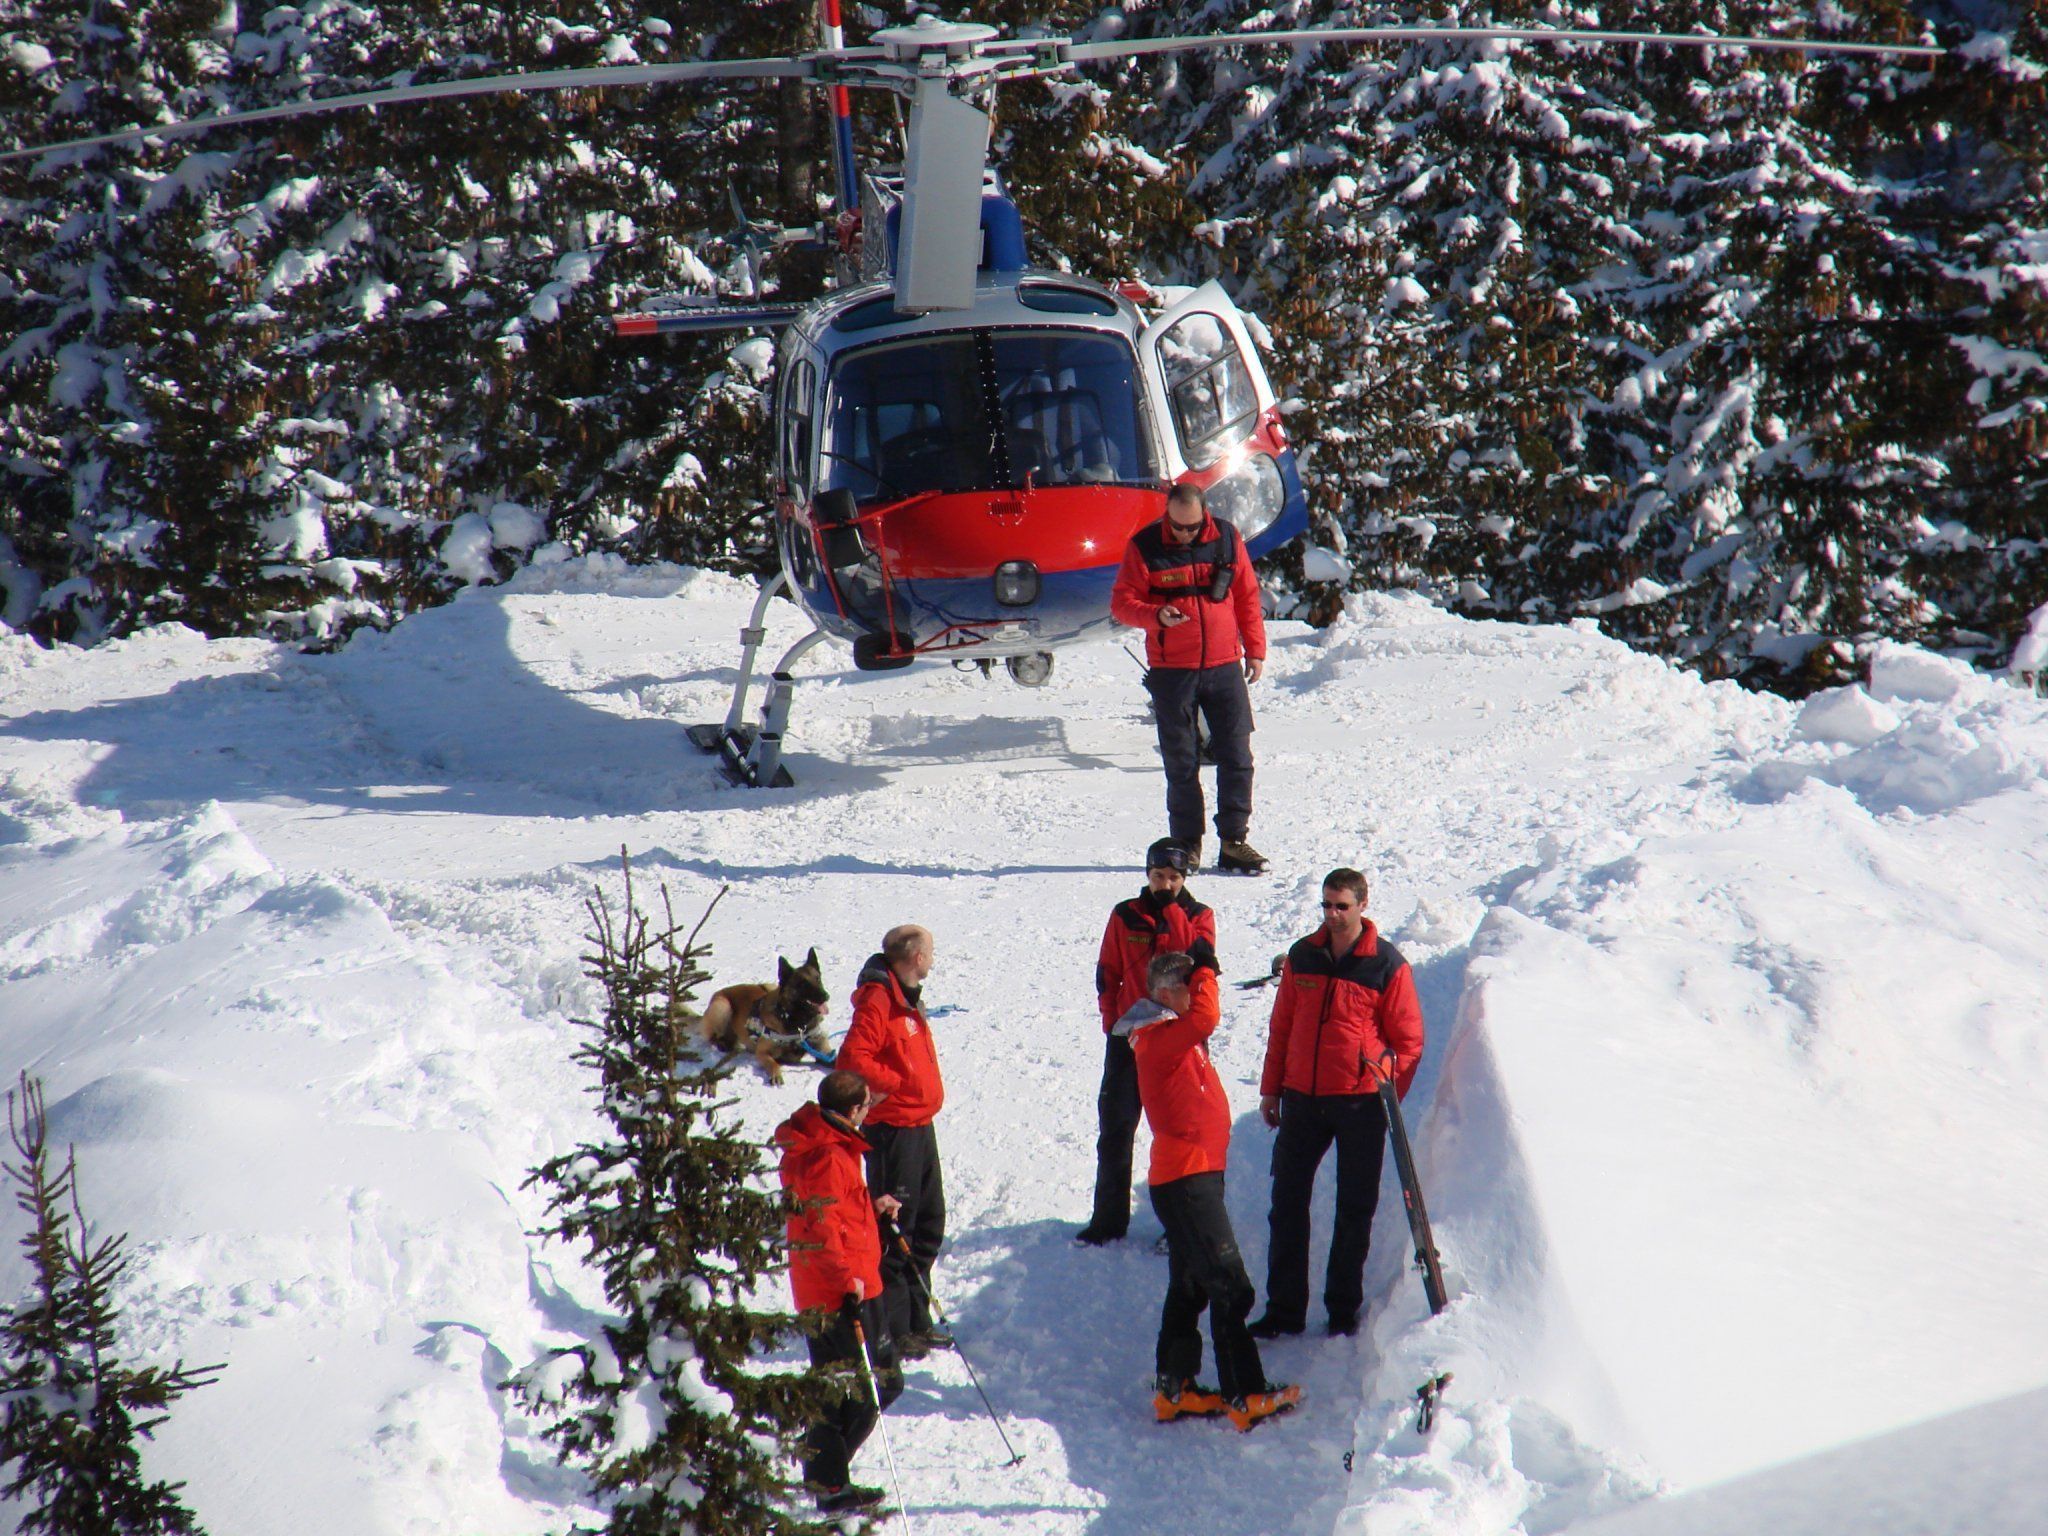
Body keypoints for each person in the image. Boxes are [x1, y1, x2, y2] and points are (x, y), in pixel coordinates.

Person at [1120, 948, 1302, 1432]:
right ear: (1166, 994)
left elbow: (1200, 1021)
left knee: (1191, 1285)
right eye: (1187, 986)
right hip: (1187, 1180)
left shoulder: (1170, 1034)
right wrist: (1205, 972)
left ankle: (1175, 1390)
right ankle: (1246, 1393)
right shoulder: (1161, 1037)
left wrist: (1198, 975)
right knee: (1230, 1286)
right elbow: (1207, 1016)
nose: (1194, 993)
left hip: (1191, 1176)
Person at [1250, 868, 1425, 1338]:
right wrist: (1271, 1088)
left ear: (1363, 905)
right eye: (1327, 905)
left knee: (1354, 1209)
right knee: (1286, 1203)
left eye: (1341, 906)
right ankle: (1284, 1309)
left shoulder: (1386, 964)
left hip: (1359, 1105)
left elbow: (1409, 1043)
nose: (1332, 914)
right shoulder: (1302, 956)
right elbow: (1282, 1027)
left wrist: (1387, 1095)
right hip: (1302, 1099)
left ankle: (1342, 1312)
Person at [1110, 481, 1270, 875]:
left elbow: (1247, 595)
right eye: (1178, 527)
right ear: (1167, 515)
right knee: (1181, 762)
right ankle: (1186, 845)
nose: (1184, 534)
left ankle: (1234, 842)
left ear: (1205, 516)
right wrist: (1155, 616)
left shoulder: (1227, 538)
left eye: (1192, 527)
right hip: (1172, 672)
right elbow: (1122, 603)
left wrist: (1255, 649)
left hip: (1224, 665)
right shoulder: (1145, 546)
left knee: (1237, 756)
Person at [1076, 838, 1218, 1246]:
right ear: (1147, 874)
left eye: (1174, 877)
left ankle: (1182, 1223)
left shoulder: (1199, 915)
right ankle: (1108, 1220)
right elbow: (1108, 970)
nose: (1165, 884)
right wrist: (1111, 1021)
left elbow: (1198, 958)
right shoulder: (1125, 914)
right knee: (1116, 1127)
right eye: (1158, 876)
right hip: (1130, 1036)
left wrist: (1171, 910)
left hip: (1177, 1039)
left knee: (1178, 1133)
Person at [774, 1069, 904, 1514]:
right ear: (852, 1110)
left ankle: (825, 1473)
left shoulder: (827, 1142)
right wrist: (846, 1281)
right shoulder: (827, 1155)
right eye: (867, 1104)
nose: (870, 1110)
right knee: (863, 1389)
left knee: (862, 1386)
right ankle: (828, 1480)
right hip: (840, 1290)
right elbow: (823, 1229)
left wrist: (871, 1208)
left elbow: (836, 1212)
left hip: (842, 1282)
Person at [834, 923, 951, 1358]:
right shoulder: (879, 999)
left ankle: (917, 1319)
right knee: (897, 1231)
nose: (933, 958)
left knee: (928, 1223)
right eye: (930, 951)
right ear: (917, 957)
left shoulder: (904, 995)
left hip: (919, 1124)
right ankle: (896, 1329)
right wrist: (898, 1084)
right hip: (894, 1131)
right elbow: (852, 1058)